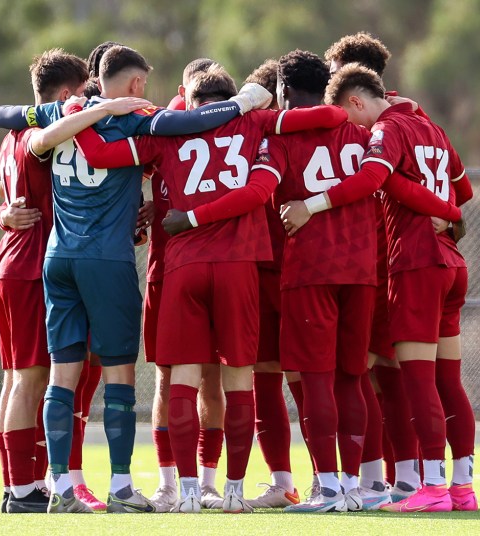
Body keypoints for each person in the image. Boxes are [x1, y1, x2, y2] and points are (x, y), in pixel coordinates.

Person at [0, 45, 273, 514]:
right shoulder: (139, 120)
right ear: (138, 84)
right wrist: (244, 102)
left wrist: (83, 109)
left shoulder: (58, 118)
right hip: (107, 260)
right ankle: (120, 485)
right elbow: (192, 124)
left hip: (57, 259)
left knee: (60, 378)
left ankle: (57, 487)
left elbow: (7, 119)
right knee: (119, 374)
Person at [71, 65, 348, 513]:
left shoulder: (168, 131)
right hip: (239, 265)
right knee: (240, 381)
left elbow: (101, 156)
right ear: (232, 96)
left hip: (182, 265)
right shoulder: (253, 121)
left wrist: (76, 113)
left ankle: (186, 494)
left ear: (189, 103)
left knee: (180, 380)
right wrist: (257, 102)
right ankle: (232, 492)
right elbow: (332, 118)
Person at [281, 63, 476, 513]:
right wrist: (445, 210)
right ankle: (463, 487)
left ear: (355, 101)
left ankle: (431, 486)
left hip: (416, 262)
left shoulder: (386, 131)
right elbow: (462, 192)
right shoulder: (434, 129)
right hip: (451, 260)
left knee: (418, 380)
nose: (353, 129)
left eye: (351, 117)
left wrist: (311, 205)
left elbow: (372, 178)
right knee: (448, 379)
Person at [0, 48, 153, 514]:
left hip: (16, 260)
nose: (91, 98)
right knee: (34, 380)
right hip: (34, 262)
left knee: (19, 380)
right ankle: (25, 488)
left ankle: (21, 486)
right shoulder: (52, 131)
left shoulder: (11, 136)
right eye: (84, 92)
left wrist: (4, 212)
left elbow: (5, 190)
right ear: (66, 95)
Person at [145, 57, 230, 513]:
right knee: (166, 378)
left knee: (211, 378)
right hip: (165, 268)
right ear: (182, 91)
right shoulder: (164, 133)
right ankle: (167, 482)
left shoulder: (230, 137)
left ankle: (209, 482)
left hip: (207, 267)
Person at [240, 58, 303, 510]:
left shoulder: (289, 137)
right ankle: (287, 482)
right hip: (261, 271)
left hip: (298, 272)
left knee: (308, 379)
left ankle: (334, 479)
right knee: (270, 379)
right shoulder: (243, 141)